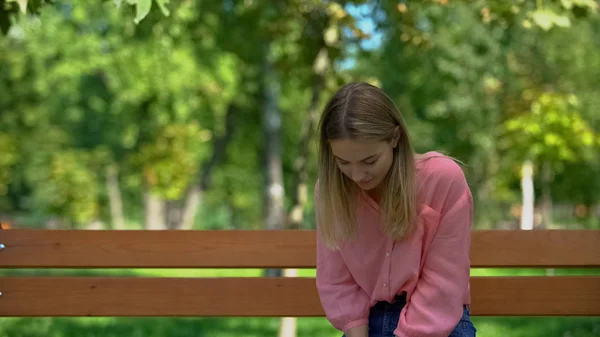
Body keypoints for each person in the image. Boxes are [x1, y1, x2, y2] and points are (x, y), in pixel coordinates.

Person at [314, 82, 476, 337]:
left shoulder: (442, 179)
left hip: (439, 323)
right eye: (343, 162)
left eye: (370, 161)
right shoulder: (330, 190)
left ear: (395, 138)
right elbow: (336, 279)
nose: (357, 175)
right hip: (365, 323)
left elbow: (442, 284)